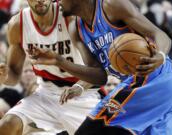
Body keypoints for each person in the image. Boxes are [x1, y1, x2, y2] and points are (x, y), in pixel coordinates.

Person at [28, 0, 172, 134]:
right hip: (163, 90)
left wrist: (160, 55)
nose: (56, 3)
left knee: (90, 130)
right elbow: (99, 76)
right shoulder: (76, 29)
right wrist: (60, 62)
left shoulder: (111, 5)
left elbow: (159, 34)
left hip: (155, 77)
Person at [0, 0, 100, 135]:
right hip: (46, 95)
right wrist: (5, 76)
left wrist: (80, 86)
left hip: (83, 94)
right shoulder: (17, 25)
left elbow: (98, 69)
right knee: (7, 125)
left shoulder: (71, 17)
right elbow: (14, 76)